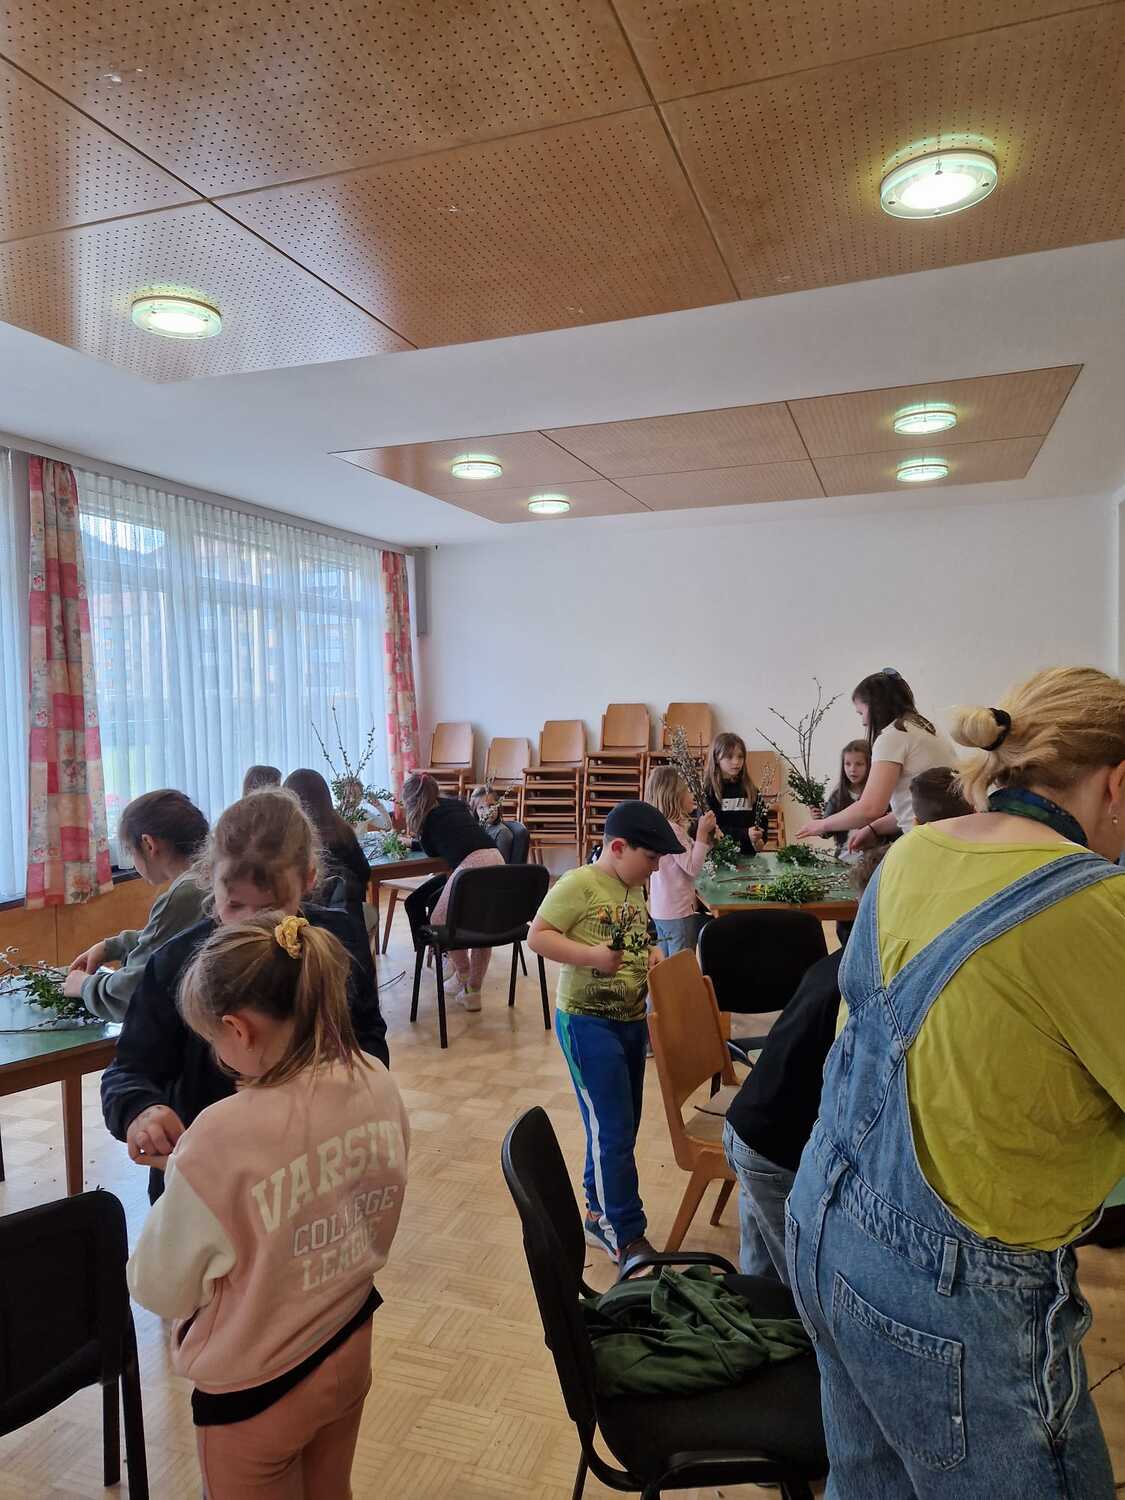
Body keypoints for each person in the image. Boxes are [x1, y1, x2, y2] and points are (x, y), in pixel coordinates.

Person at [786, 666, 1125, 1497]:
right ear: (1116, 783)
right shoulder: (1093, 906)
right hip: (951, 1298)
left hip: (821, 1222)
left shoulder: (910, 853)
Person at [127, 911, 408, 1499]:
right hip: (350, 1339)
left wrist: (187, 1176)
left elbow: (159, 1288)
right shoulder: (376, 1077)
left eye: (212, 1040)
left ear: (238, 1029)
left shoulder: (216, 1136)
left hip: (256, 1388)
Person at [101, 788, 388, 1203]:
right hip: (209, 1184)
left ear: (308, 880)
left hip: (314, 1172)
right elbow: (127, 1072)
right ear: (209, 878)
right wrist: (141, 1111)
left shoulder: (338, 939)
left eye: (270, 907)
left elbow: (368, 1039)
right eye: (234, 905)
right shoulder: (175, 963)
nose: (251, 923)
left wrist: (344, 1089)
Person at [528, 800, 680, 1272]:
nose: (656, 868)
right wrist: (591, 956)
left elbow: (638, 932)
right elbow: (538, 936)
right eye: (650, 858)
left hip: (630, 1021)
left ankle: (597, 1212)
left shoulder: (633, 886)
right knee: (611, 1128)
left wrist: (651, 949)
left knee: (621, 1125)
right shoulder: (579, 884)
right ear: (618, 848)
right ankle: (626, 1233)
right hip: (586, 1023)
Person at [63, 790, 209, 1022]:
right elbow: (178, 940)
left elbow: (132, 991)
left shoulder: (185, 892)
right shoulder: (211, 874)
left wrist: (84, 986)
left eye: (131, 851)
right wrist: (113, 946)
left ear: (148, 844)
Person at [797, 667, 957, 851]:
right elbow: (914, 809)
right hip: (949, 836)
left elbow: (870, 809)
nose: (863, 722)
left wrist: (822, 824)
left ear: (874, 707)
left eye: (861, 712)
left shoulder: (894, 736)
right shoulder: (926, 729)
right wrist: (873, 829)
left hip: (928, 844)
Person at [401, 772, 504, 1011]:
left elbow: (431, 851)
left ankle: (462, 973)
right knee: (482, 927)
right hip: (496, 857)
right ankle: (473, 991)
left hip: (472, 865)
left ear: (412, 800)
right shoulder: (456, 805)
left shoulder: (427, 820)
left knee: (439, 919)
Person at [644, 764, 716, 956]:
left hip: (661, 910)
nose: (692, 795)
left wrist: (706, 840)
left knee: (666, 962)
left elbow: (690, 856)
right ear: (675, 796)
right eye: (688, 790)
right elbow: (692, 867)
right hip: (678, 912)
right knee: (681, 964)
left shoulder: (663, 826)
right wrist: (702, 833)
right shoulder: (673, 830)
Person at [284, 769, 371, 912]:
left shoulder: (294, 838)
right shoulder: (343, 830)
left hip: (310, 918)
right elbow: (364, 871)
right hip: (350, 914)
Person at [703, 733, 767, 855]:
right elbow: (711, 830)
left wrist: (759, 839)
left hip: (748, 855)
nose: (736, 762)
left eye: (740, 756)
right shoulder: (709, 791)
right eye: (729, 757)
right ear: (716, 758)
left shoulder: (751, 790)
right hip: (720, 857)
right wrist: (745, 834)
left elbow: (762, 822)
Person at [819, 740, 870, 857]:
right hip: (843, 858)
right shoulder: (837, 796)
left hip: (872, 859)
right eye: (847, 764)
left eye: (859, 764)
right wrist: (819, 822)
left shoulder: (878, 795)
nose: (852, 769)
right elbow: (826, 833)